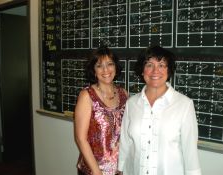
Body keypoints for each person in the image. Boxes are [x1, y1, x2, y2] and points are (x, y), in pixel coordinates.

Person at [118, 46, 202, 175]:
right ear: (142, 70)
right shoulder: (132, 103)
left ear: (169, 71)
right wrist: (120, 168)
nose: (155, 71)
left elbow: (190, 151)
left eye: (162, 65)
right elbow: (125, 142)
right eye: (149, 65)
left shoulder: (184, 105)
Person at [74, 47, 128, 175]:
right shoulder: (87, 96)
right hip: (94, 170)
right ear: (94, 70)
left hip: (119, 169)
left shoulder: (124, 94)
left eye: (110, 64)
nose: (106, 70)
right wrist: (96, 171)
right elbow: (80, 138)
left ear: (115, 66)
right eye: (99, 66)